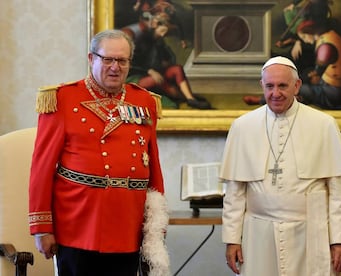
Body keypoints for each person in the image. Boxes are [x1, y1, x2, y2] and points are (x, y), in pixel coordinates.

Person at [29, 29, 170, 276]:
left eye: (122, 60)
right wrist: (42, 227)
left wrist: (156, 225)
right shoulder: (62, 99)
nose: (115, 67)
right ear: (91, 59)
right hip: (79, 224)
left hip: (128, 223)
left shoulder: (144, 101)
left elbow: (153, 165)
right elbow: (42, 167)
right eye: (107, 59)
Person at [220, 56, 341, 275]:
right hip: (258, 235)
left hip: (311, 234)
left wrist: (340, 240)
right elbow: (235, 192)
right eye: (270, 86)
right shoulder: (243, 126)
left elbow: (339, 191)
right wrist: (232, 239)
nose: (276, 93)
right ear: (262, 86)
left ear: (297, 85)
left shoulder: (323, 125)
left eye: (283, 85)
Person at [122, 12, 211, 110]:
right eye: (163, 30)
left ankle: (190, 99)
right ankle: (183, 97)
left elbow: (168, 59)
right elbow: (133, 63)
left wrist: (166, 61)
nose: (164, 34)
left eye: (166, 32)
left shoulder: (160, 42)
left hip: (157, 73)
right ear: (156, 27)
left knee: (177, 69)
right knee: (158, 81)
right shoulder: (142, 40)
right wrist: (150, 71)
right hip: (138, 76)